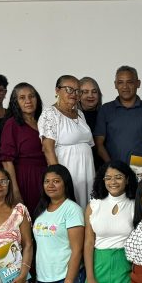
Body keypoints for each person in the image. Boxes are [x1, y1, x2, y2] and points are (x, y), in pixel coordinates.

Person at [94, 66, 142, 178]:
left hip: (140, 172)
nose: (125, 87)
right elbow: (99, 144)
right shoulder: (105, 109)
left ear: (138, 83)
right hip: (112, 172)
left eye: (130, 82)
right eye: (120, 82)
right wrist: (112, 168)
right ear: (115, 85)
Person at [39, 75, 96, 206]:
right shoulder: (50, 113)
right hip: (68, 171)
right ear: (57, 91)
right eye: (69, 89)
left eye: (77, 91)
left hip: (87, 172)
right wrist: (58, 178)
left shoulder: (80, 114)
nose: (74, 94)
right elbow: (48, 148)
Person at [0, 82, 46, 214]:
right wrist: (14, 190)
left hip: (45, 176)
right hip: (25, 178)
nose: (28, 101)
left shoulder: (43, 121)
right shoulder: (12, 124)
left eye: (32, 96)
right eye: (22, 98)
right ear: (15, 102)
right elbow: (6, 160)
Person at [79, 76, 104, 172]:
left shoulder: (106, 114)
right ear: (78, 95)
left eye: (94, 91)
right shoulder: (72, 117)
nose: (91, 95)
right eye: (85, 92)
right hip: (82, 167)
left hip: (104, 167)